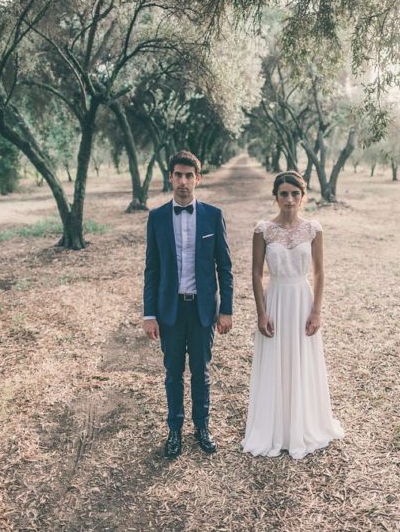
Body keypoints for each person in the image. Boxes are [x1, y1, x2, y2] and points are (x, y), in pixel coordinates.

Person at [242, 170, 343, 459]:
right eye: (284, 193)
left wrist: (316, 311)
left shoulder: (313, 229)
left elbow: (320, 272)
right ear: (276, 196)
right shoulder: (263, 229)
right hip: (275, 299)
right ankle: (274, 428)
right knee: (276, 359)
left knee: (301, 359)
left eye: (294, 193)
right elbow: (255, 272)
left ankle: (303, 424)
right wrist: (261, 312)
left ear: (303, 196)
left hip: (301, 299)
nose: (289, 199)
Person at [143, 150, 234, 459]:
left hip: (202, 310)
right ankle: (174, 430)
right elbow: (152, 269)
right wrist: (149, 314)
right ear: (170, 177)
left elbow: (225, 266)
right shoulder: (156, 217)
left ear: (198, 179)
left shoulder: (213, 215)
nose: (183, 181)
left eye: (189, 175)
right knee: (173, 374)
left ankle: (202, 427)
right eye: (178, 175)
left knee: (200, 372)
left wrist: (227, 310)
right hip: (169, 310)